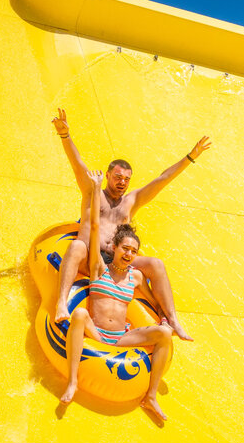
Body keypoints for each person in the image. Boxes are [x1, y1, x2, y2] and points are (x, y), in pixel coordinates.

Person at [50, 108, 209, 341]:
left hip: (116, 263)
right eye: (118, 177)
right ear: (107, 175)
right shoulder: (92, 190)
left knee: (156, 264)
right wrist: (65, 135)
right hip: (90, 260)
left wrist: (190, 157)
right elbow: (77, 164)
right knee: (75, 247)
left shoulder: (131, 201)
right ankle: (61, 305)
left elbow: (162, 179)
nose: (122, 182)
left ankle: (172, 318)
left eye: (126, 179)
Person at [60, 169, 174, 419]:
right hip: (97, 332)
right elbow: (94, 225)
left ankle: (151, 396)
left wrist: (164, 319)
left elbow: (152, 301)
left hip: (121, 337)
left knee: (165, 334)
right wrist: (95, 188)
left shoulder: (135, 277)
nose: (129, 254)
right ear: (114, 247)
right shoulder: (98, 267)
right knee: (79, 314)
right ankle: (72, 381)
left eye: (134, 251)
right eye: (125, 249)